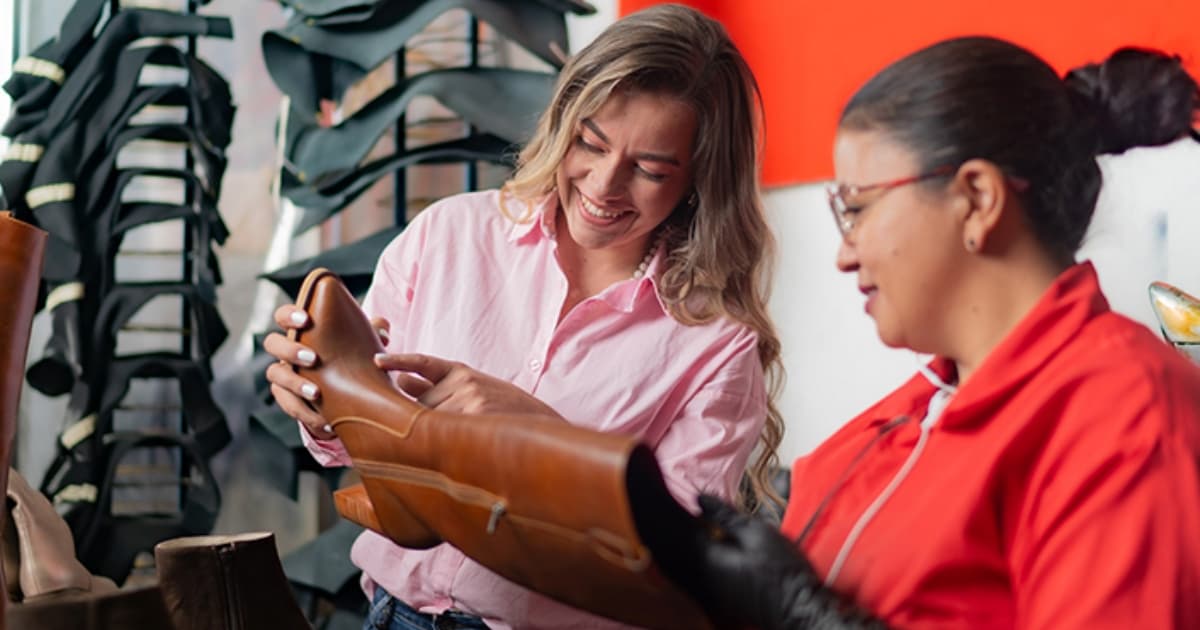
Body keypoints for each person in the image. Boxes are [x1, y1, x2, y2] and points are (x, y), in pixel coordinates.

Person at [263, 4, 785, 629]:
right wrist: (318, 402)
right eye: (590, 142)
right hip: (392, 614)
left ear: (699, 179)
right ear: (564, 120)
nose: (603, 184)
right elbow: (347, 445)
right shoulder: (447, 235)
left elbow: (676, 567)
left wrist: (544, 437)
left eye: (649, 170)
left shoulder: (716, 345)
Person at [674, 37, 1200, 629]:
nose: (845, 255)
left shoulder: (1126, 416)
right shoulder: (899, 421)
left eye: (856, 208)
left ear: (976, 199)